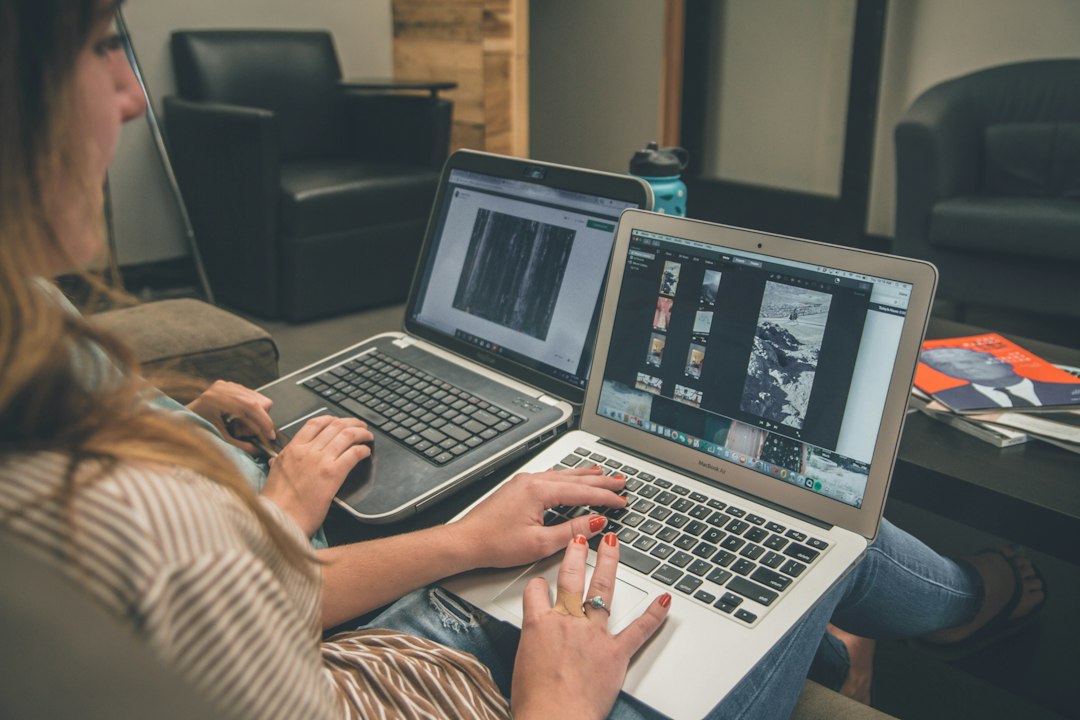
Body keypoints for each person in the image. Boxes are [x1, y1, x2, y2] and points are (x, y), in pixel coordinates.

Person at [0, 2, 1045, 718]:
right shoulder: (72, 529)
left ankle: (897, 624)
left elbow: (227, 617)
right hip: (462, 683)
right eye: (101, 45)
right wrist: (553, 699)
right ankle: (966, 608)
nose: (131, 94)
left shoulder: (29, 348)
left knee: (694, 499)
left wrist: (459, 542)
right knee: (809, 519)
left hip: (382, 639)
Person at [921, 346, 1080, 409]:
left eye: (966, 360)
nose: (961, 367)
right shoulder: (947, 400)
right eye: (944, 365)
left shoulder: (1070, 391)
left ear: (997, 360)